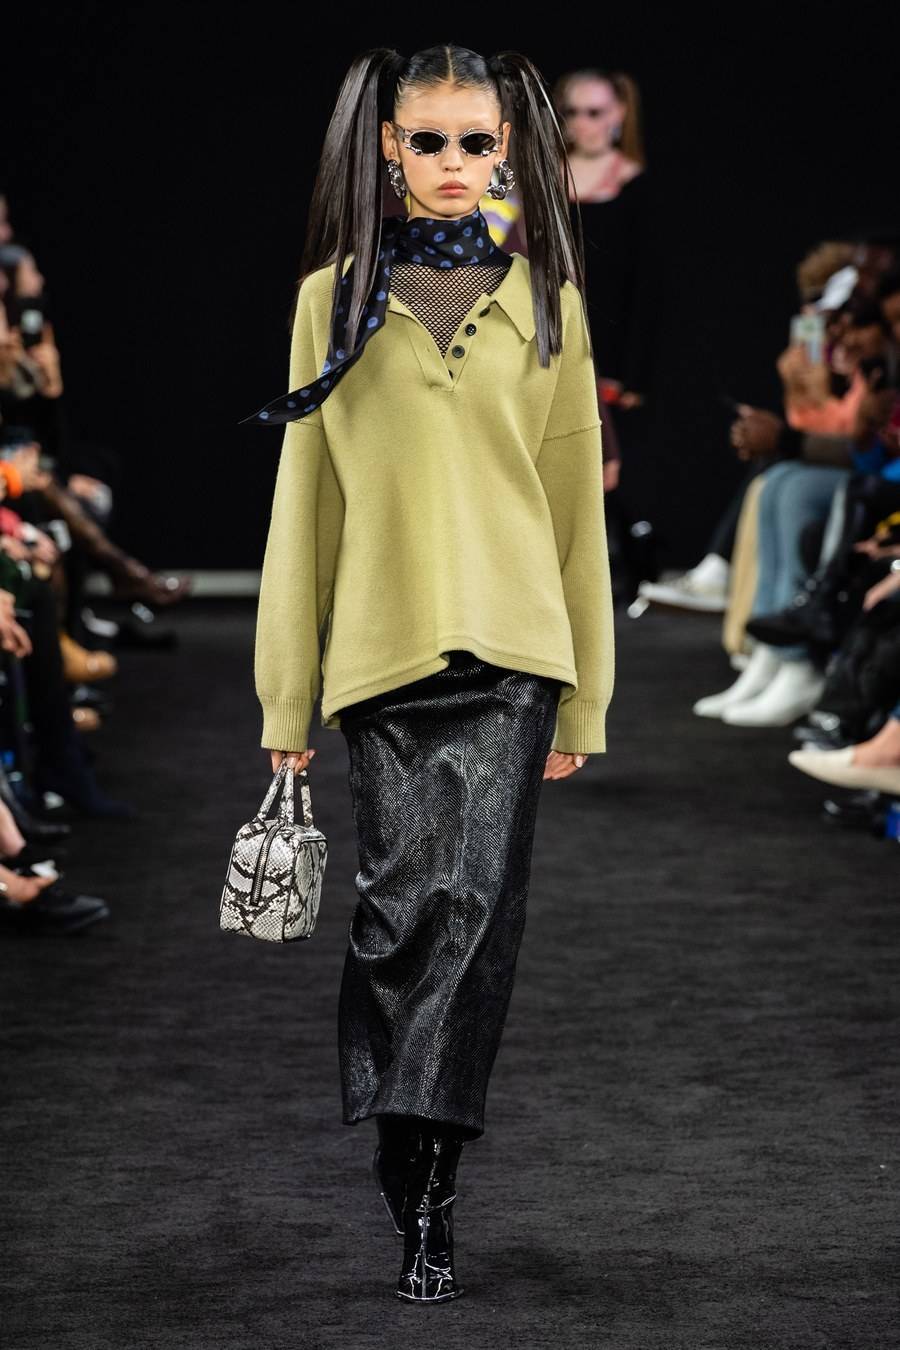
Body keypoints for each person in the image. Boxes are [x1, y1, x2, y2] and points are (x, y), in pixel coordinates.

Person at [244, 44, 615, 1304]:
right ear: (388, 147)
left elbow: (575, 510)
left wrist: (587, 694)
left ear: (507, 150)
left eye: (478, 141)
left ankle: (434, 1182)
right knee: (399, 912)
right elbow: (305, 501)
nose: (455, 162)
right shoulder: (333, 300)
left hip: (515, 651)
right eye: (431, 140)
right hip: (384, 648)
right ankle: (402, 1130)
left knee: (476, 917)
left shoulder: (552, 302)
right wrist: (285, 692)